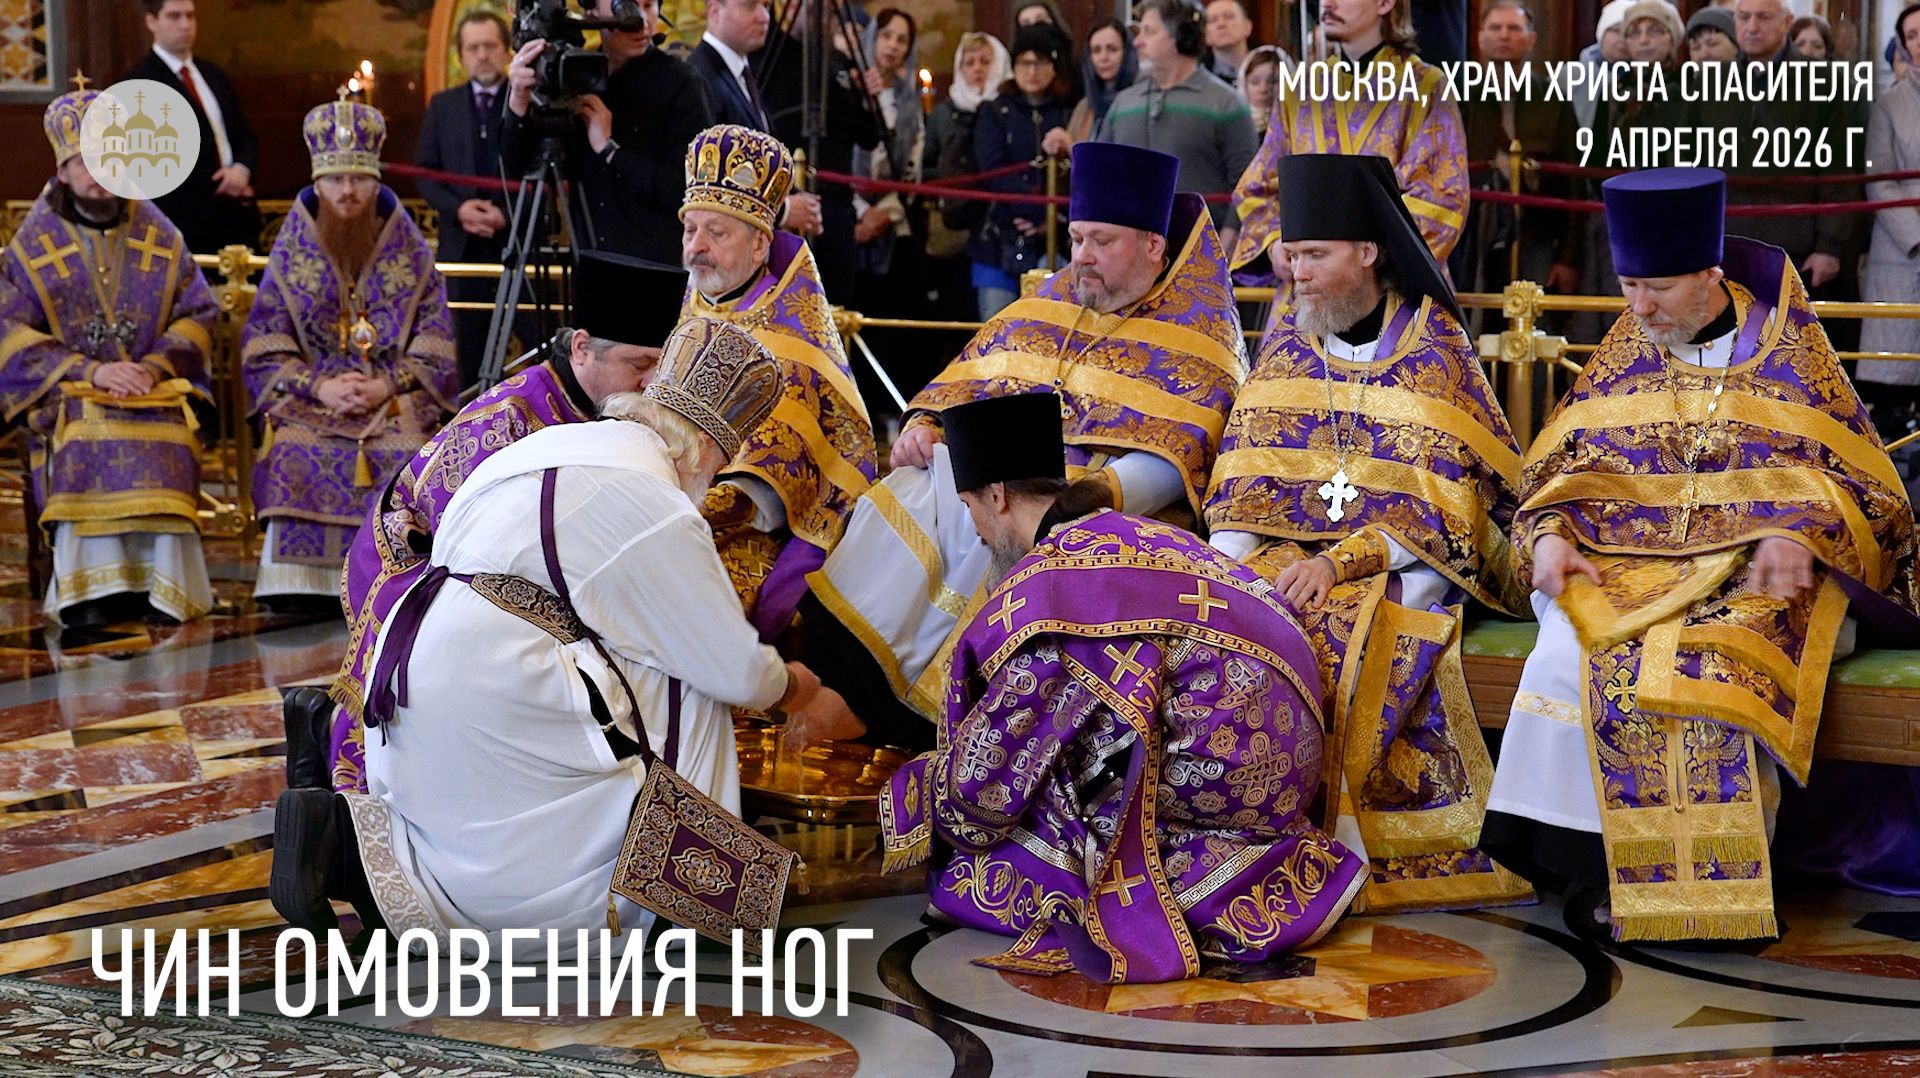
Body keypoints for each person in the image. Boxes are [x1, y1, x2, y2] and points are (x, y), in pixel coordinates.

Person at [271, 319, 861, 942]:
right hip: (492, 681)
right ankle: (687, 896)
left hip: (419, 678)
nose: (709, 485)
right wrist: (794, 688)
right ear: (704, 451)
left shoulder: (553, 446)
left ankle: (350, 846)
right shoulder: (651, 501)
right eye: (717, 468)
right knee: (684, 688)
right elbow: (730, 665)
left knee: (494, 819)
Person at [1484, 167, 1920, 944]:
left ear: (1711, 274)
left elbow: (1868, 491)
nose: (1639, 308)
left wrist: (1801, 534)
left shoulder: (1790, 351)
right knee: (1568, 651)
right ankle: (1591, 868)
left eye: (1655, 288)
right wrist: (1547, 536)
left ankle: (1710, 892)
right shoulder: (1632, 343)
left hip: (1758, 576)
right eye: (1627, 286)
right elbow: (1555, 470)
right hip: (1626, 567)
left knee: (1714, 663)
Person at [875, 391, 1366, 982]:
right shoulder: (1134, 532)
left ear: (998, 496)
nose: (974, 530)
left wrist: (918, 792)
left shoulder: (1053, 582)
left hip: (1234, 776)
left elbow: (986, 781)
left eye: (969, 506)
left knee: (1003, 841)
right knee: (1091, 729)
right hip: (1291, 759)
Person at [802, 142, 1245, 750]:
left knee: (1001, 516)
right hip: (1008, 480)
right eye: (1077, 237)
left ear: (1152, 244)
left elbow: (1186, 450)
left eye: (1101, 242)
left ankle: (897, 719)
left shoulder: (1203, 337)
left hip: (1105, 512)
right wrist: (927, 425)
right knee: (918, 481)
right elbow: (977, 371)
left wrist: (1091, 492)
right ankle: (844, 679)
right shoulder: (1057, 298)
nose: (1081, 258)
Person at [1205, 153, 1532, 914]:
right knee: (1240, 624)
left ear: (1368, 253)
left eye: (1315, 256)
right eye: (1292, 255)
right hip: (1289, 553)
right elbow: (1245, 483)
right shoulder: (1290, 343)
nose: (1297, 273)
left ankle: (1336, 848)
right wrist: (1220, 580)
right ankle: (1238, 838)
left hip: (1411, 564)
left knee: (1348, 624)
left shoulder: (1435, 352)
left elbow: (1456, 509)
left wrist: (1347, 562)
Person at [321, 253, 689, 793]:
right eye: (638, 366)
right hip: (412, 567)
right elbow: (453, 536)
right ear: (582, 348)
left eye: (661, 367)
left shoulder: (602, 410)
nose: (651, 383)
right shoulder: (508, 420)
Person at [0, 76, 218, 627]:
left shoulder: (158, 232)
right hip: (74, 395)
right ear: (63, 170)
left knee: (171, 431)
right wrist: (92, 371)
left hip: (152, 388)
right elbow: (7, 328)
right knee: (89, 430)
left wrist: (153, 366)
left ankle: (164, 587)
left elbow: (199, 312)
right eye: (86, 161)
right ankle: (88, 590)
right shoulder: (33, 244)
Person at [241, 96, 458, 611]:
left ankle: (396, 578)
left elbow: (438, 342)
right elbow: (263, 342)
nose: (347, 191)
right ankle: (302, 588)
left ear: (376, 183)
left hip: (393, 394)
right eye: (335, 180)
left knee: (407, 448)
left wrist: (387, 384)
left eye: (358, 180)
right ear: (316, 184)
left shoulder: (411, 253)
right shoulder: (291, 253)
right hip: (313, 396)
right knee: (293, 444)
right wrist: (320, 386)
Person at [679, 124, 877, 635]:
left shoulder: (791, 340)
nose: (696, 247)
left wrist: (671, 512)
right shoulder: (697, 300)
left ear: (761, 243)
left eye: (715, 233)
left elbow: (763, 483)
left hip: (753, 529)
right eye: (690, 229)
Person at [1231, 0, 1467, 285]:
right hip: (1307, 288)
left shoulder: (1426, 85)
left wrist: (1359, 259)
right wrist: (1274, 243)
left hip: (1391, 287)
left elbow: (1440, 195)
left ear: (1384, 3)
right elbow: (1258, 186)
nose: (1327, 4)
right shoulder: (1301, 87)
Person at [502, 0, 712, 264]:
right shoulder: (571, 76)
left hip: (657, 269)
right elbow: (514, 167)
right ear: (590, 12)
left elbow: (690, 191)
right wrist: (518, 102)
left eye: (649, 6)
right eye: (624, 6)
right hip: (591, 266)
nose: (642, 21)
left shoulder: (682, 83)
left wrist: (612, 151)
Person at [1101, 0, 1258, 255]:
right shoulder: (1123, 103)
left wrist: (1221, 255)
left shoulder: (1227, 103)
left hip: (1201, 259)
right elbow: (1101, 178)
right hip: (1126, 260)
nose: (1138, 42)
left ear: (1180, 38)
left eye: (1149, 32)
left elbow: (1247, 186)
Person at [1456, 0, 1581, 315]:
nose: (1504, 35)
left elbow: (1575, 182)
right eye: (1495, 28)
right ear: (1481, 37)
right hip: (1473, 237)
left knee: (1531, 328)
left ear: (1530, 39)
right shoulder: (1460, 97)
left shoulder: (1553, 99)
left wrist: (1568, 257)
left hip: (1537, 235)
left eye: (1514, 28)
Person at [751, 0, 883, 299]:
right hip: (785, 206)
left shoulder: (838, 61)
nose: (818, 11)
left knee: (835, 303)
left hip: (836, 207)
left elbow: (870, 136)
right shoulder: (767, 54)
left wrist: (865, 97)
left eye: (827, 8)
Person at [414, 10, 516, 387]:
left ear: (506, 51)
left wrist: (506, 214)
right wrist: (459, 209)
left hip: (516, 245)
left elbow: (544, 175)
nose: (483, 55)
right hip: (462, 250)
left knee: (533, 344)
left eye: (490, 46)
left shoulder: (525, 101)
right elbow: (425, 174)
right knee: (466, 352)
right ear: (461, 56)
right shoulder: (444, 106)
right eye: (473, 48)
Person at [120, 0, 261, 255]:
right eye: (174, 16)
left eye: (190, 16)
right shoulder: (141, 82)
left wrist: (241, 169)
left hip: (237, 215)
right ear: (152, 22)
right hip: (185, 223)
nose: (185, 25)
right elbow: (152, 163)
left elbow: (244, 135)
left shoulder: (213, 75)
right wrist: (221, 185)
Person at [689, 0, 825, 238]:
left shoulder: (741, 70)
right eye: (750, 6)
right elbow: (712, 176)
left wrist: (793, 200)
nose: (764, 17)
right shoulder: (700, 76)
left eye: (766, 6)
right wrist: (783, 210)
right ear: (714, 10)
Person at [971, 24, 1077, 320]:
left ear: (1054, 67)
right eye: (1024, 62)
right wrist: (1038, 214)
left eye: (1040, 62)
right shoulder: (993, 112)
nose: (1032, 70)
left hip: (1054, 242)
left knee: (1051, 331)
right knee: (996, 336)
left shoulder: (1069, 112)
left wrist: (1052, 221)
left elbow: (1073, 177)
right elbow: (994, 171)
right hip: (997, 241)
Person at [1855, 3, 1920, 444]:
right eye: (1913, 35)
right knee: (1898, 381)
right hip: (1906, 255)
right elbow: (1881, 184)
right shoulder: (1888, 105)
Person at [1066, 20, 1135, 147]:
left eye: (1112, 49)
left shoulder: (1139, 102)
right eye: (1096, 50)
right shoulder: (1085, 107)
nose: (1103, 57)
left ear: (1127, 53)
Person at [1203, 0, 1254, 87]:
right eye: (1213, 20)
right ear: (1205, 34)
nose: (1221, 24)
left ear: (1247, 27)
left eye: (1229, 17)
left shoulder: (1272, 67)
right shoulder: (1194, 75)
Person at [1238, 45, 1284, 140]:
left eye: (1273, 82)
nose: (1263, 89)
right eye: (1255, 82)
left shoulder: (1299, 125)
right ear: (1243, 84)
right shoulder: (1233, 125)